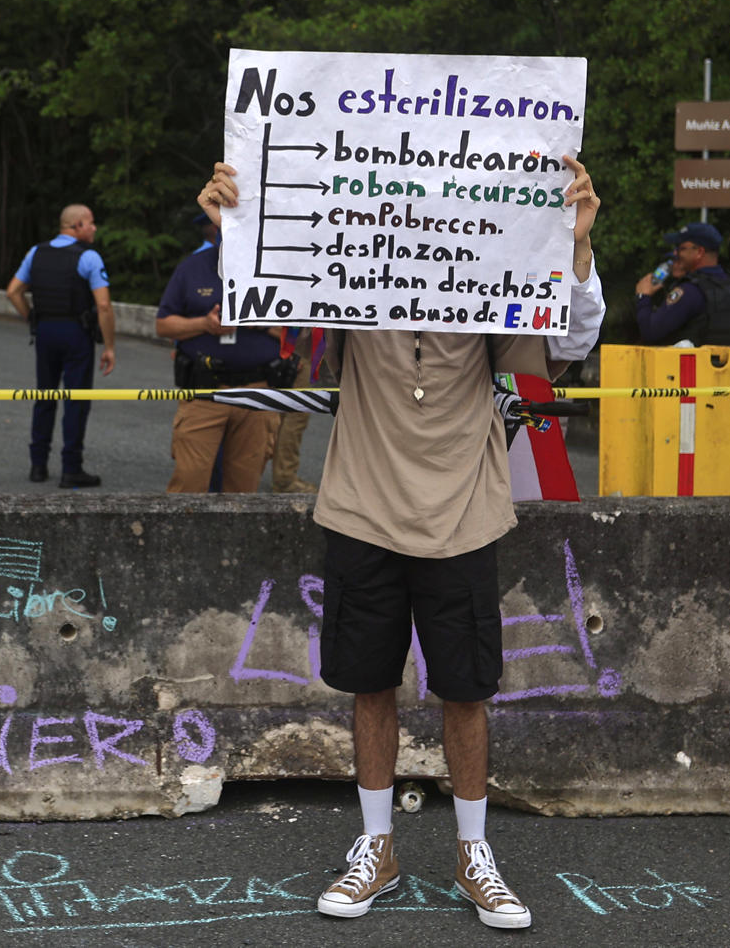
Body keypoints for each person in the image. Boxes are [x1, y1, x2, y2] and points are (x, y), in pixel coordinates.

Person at [200, 153, 603, 931]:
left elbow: (563, 347)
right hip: (362, 508)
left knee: (467, 688)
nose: (419, 221)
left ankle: (473, 852)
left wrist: (577, 248)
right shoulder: (351, 287)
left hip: (463, 513)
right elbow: (267, 299)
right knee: (369, 681)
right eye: (405, 207)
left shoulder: (491, 284)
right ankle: (376, 844)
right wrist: (236, 230)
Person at [156, 212, 283, 493]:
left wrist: (253, 319)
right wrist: (205, 324)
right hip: (204, 392)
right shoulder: (192, 268)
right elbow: (163, 325)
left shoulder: (275, 267)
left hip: (257, 394)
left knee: (244, 489)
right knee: (189, 483)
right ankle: (184, 537)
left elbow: (301, 335)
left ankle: (237, 539)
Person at [5, 204, 117, 488]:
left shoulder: (36, 252)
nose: (94, 228)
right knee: (76, 401)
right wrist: (109, 346)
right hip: (75, 332)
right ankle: (71, 469)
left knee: (44, 397)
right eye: (90, 223)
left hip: (45, 331)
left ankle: (38, 466)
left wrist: (32, 318)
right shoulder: (88, 257)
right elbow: (103, 306)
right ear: (77, 225)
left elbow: (13, 291)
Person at [633, 221, 730, 346]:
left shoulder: (691, 291)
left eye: (681, 248)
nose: (676, 253)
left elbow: (650, 332)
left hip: (693, 365)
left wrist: (643, 297)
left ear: (699, 252)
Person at [271, 325, 327, 493]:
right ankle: (284, 479)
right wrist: (294, 351)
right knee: (294, 417)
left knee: (287, 417)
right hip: (292, 350)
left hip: (296, 348)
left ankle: (283, 476)